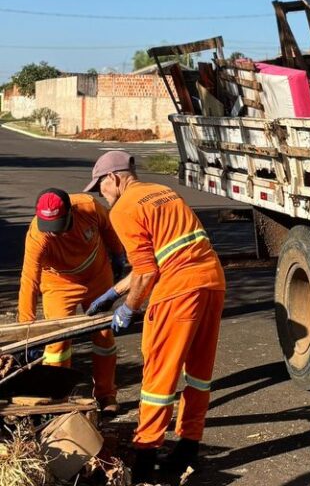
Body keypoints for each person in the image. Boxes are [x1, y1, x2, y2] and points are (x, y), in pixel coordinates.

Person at [84, 150, 225, 482]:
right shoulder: (164, 193)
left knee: (158, 376)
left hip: (177, 292)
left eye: (100, 187)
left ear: (113, 178)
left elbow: (147, 273)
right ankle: (188, 447)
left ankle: (146, 454)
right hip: (211, 283)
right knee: (199, 373)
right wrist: (112, 294)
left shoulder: (124, 209)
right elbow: (157, 257)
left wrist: (128, 310)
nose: (101, 195)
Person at [18, 188, 125, 415]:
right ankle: (58, 399)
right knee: (57, 343)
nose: (54, 233)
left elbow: (109, 229)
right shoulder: (37, 235)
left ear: (70, 213)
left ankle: (106, 395)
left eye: (59, 226)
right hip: (59, 284)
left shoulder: (88, 206)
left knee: (104, 336)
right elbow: (29, 281)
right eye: (49, 228)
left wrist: (118, 255)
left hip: (97, 276)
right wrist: (26, 330)